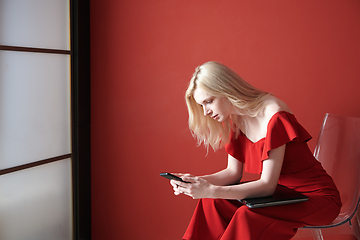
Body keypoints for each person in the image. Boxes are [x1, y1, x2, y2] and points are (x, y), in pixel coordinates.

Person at [169, 61, 342, 240]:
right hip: (282, 196)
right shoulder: (234, 119)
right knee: (211, 202)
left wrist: (211, 189)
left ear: (227, 89)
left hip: (317, 199)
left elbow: (267, 185)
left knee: (246, 214)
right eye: (201, 105)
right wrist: (195, 182)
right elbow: (232, 174)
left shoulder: (274, 114)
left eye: (209, 101)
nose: (205, 112)